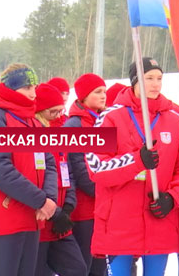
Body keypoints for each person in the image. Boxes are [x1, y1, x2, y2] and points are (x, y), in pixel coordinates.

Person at [87, 57, 179, 276]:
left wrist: (173, 197)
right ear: (135, 81)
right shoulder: (108, 118)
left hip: (159, 219)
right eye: (149, 78)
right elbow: (97, 168)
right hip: (119, 224)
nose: (156, 84)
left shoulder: (175, 120)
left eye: (159, 78)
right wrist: (136, 161)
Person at [0, 64, 58, 276]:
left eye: (34, 87)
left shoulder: (33, 123)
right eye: (27, 87)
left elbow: (49, 163)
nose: (33, 93)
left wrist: (49, 199)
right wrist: (41, 200)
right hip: (3, 221)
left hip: (32, 218)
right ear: (10, 88)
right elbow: (0, 170)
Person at [33, 83, 86, 276]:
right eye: (52, 112)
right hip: (41, 220)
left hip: (61, 221)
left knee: (78, 269)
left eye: (60, 111)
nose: (58, 115)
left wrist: (69, 206)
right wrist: (55, 213)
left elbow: (68, 171)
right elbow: (35, 179)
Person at [64, 73, 107, 276]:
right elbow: (79, 168)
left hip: (102, 205)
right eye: (98, 92)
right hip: (84, 208)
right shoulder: (74, 125)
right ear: (83, 96)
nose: (103, 96)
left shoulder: (103, 120)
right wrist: (103, 192)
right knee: (85, 264)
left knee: (100, 265)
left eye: (104, 91)